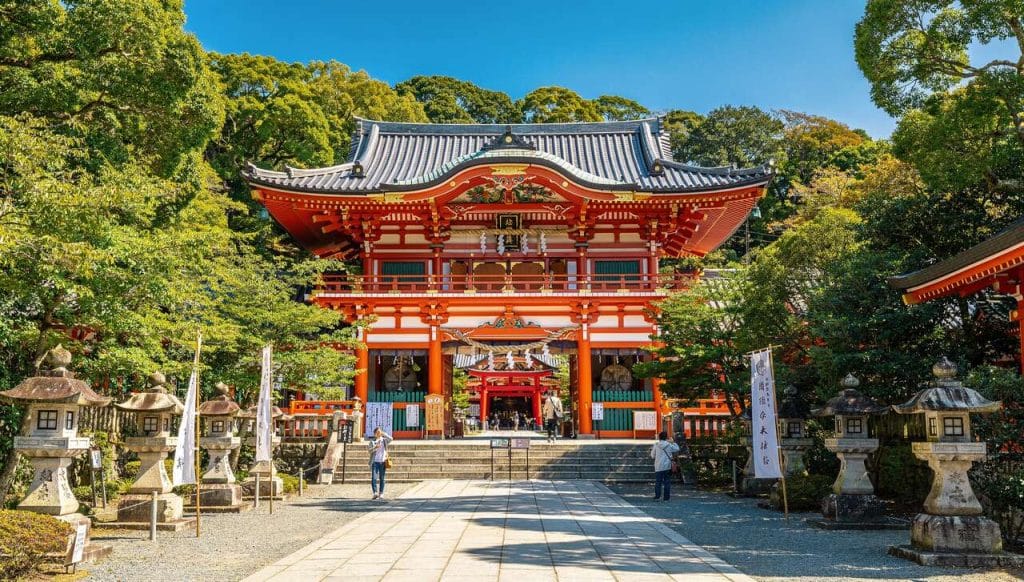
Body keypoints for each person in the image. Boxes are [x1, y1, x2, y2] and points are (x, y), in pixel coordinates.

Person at [651, 431, 680, 501]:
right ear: (666, 438)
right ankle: (666, 498)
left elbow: (652, 455)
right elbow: (677, 449)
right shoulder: (669, 445)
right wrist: (673, 442)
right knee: (667, 482)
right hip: (667, 466)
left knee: (658, 482)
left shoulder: (656, 445)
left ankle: (657, 497)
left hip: (658, 466)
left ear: (659, 437)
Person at [368, 426, 392, 500]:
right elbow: (369, 451)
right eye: (377, 432)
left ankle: (381, 493)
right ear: (375, 434)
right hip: (375, 462)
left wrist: (384, 434)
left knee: (382, 478)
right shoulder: (372, 442)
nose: (379, 434)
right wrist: (375, 447)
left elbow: (391, 439)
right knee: (374, 478)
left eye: (379, 432)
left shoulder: (384, 440)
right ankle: (375, 493)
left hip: (382, 461)